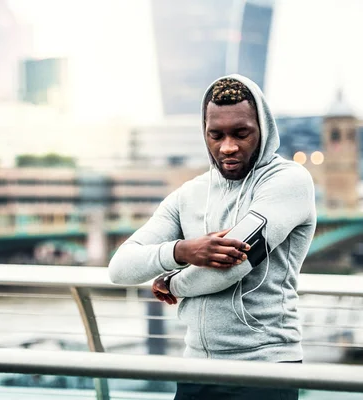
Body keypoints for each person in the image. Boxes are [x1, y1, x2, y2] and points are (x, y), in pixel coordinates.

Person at [108, 74, 316, 399]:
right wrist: (181, 251)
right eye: (215, 135)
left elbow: (231, 266)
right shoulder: (189, 195)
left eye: (241, 133)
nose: (228, 146)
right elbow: (120, 267)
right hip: (196, 369)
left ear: (264, 128)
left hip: (265, 369)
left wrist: (171, 283)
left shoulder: (288, 181)